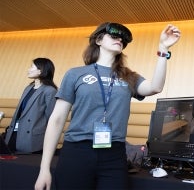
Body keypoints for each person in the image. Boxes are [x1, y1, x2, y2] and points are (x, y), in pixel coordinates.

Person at [35, 22, 181, 190]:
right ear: (98, 40)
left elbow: (155, 87)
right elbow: (57, 119)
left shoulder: (129, 77)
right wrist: (44, 169)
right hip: (77, 151)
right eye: (114, 36)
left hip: (114, 154)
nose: (119, 39)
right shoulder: (75, 74)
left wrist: (163, 48)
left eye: (122, 40)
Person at [4, 58, 57, 154]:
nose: (29, 69)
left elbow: (52, 118)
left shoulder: (50, 91)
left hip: (32, 138)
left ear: (41, 70)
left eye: (32, 67)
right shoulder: (28, 88)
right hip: (14, 133)